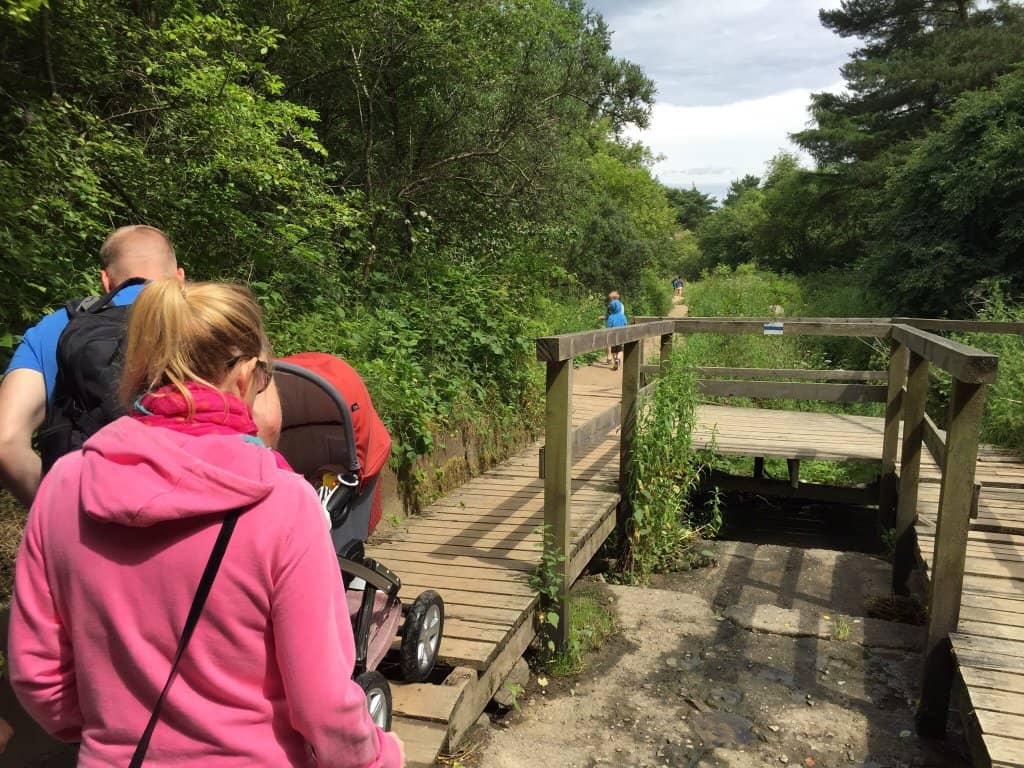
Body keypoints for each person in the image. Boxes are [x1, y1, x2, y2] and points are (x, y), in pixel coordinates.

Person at [8, 279, 405, 768]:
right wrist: (377, 756)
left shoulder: (65, 487)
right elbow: (323, 701)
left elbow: (38, 674)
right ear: (245, 377)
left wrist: (113, 735)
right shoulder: (283, 503)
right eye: (267, 379)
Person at [0, 224, 284, 505]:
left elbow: (5, 441)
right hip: (211, 515)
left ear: (105, 280)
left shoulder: (56, 328)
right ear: (180, 277)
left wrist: (58, 511)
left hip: (88, 516)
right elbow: (266, 423)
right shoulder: (216, 320)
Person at [604, 291, 627, 371]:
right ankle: (618, 359)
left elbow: (608, 327)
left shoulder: (610, 318)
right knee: (620, 350)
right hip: (620, 335)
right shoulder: (623, 316)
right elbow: (625, 324)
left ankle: (615, 363)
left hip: (613, 336)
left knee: (613, 351)